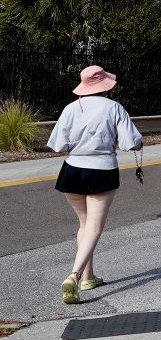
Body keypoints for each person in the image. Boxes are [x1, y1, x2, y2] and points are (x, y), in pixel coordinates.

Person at [47, 65, 143, 304]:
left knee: (84, 225)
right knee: (95, 227)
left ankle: (89, 277)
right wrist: (139, 145)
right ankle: (74, 275)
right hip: (101, 169)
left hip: (72, 170)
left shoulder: (70, 108)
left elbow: (58, 144)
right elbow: (130, 142)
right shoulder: (114, 107)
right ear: (105, 86)